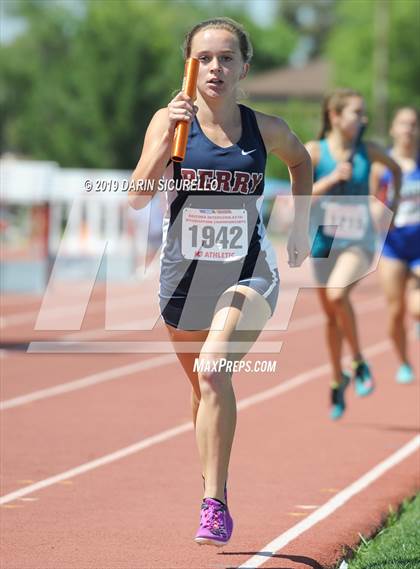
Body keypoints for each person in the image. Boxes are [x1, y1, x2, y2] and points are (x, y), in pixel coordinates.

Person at [128, 17, 312, 546]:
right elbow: (139, 193)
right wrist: (165, 139)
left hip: (248, 272)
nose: (215, 67)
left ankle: (216, 501)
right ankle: (209, 485)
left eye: (226, 58)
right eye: (205, 58)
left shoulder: (265, 129)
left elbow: (300, 163)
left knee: (212, 374)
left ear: (243, 67)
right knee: (202, 390)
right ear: (190, 66)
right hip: (183, 279)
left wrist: (299, 224)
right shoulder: (169, 121)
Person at [305, 89, 402, 421]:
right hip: (322, 244)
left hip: (358, 242)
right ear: (335, 116)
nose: (364, 119)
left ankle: (359, 361)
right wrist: (332, 179)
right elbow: (297, 195)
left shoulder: (369, 150)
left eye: (363, 114)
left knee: (338, 293)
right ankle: (337, 378)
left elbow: (397, 171)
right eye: (357, 113)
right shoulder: (315, 153)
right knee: (331, 317)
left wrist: (390, 205)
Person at [370, 107, 419, 384]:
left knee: (416, 308)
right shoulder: (383, 166)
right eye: (403, 124)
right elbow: (372, 202)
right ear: (393, 129)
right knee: (396, 311)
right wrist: (380, 212)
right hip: (393, 246)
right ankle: (403, 362)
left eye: (413, 124)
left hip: (419, 244)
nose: (408, 129)